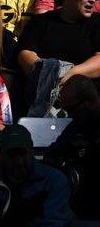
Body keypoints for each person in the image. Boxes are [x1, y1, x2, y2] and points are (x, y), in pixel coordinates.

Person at [18, 0, 100, 114]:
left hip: (83, 106)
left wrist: (68, 74)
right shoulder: (41, 22)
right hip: (42, 97)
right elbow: (25, 54)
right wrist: (47, 74)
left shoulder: (97, 23)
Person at [46, 75, 100, 219]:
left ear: (89, 102)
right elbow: (52, 156)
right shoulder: (77, 126)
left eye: (71, 109)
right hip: (81, 204)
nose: (70, 115)